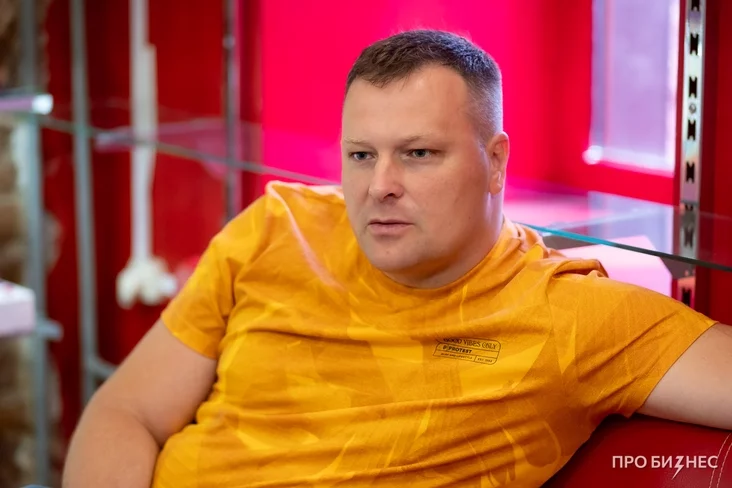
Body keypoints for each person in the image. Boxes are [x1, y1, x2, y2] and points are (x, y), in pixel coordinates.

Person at [62, 29, 732, 488]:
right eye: (361, 154)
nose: (379, 184)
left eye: (418, 153)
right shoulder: (275, 228)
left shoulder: (572, 316)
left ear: (495, 162)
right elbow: (126, 412)